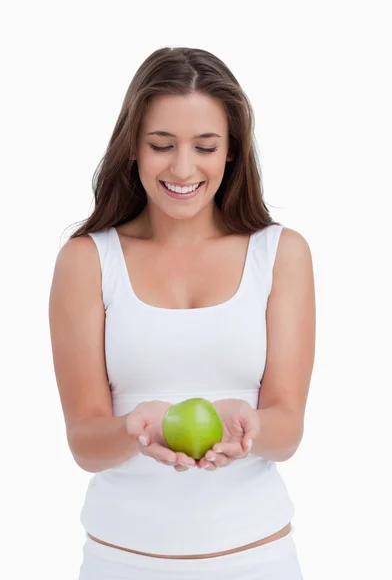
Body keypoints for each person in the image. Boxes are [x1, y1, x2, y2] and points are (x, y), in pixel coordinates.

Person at [49, 46, 316, 579]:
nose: (183, 167)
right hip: (121, 563)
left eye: (205, 146)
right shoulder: (87, 261)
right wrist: (135, 428)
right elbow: (84, 441)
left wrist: (250, 428)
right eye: (161, 145)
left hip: (258, 560)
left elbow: (287, 428)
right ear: (132, 149)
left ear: (231, 152)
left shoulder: (280, 254)